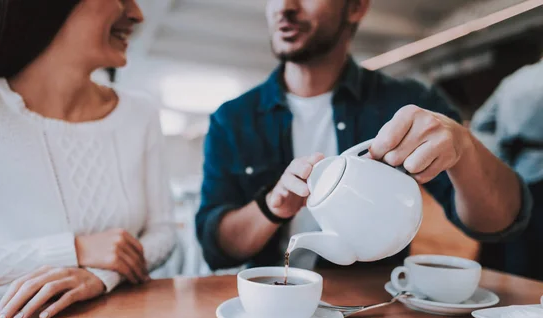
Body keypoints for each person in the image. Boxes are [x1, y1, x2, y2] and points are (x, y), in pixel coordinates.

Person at [196, 0, 531, 271]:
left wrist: (465, 149)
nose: (285, 6)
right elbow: (218, 249)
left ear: (356, 7)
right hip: (269, 311)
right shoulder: (233, 119)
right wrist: (272, 206)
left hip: (372, 316)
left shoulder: (405, 103)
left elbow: (499, 224)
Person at [0, 0, 176, 318]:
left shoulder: (142, 114)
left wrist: (99, 276)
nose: (137, 14)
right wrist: (74, 250)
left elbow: (162, 233)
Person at [472, 58, 543, 280]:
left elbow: (480, 124)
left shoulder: (515, 79)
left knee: (506, 239)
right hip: (540, 175)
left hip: (510, 172)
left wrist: (500, 155)